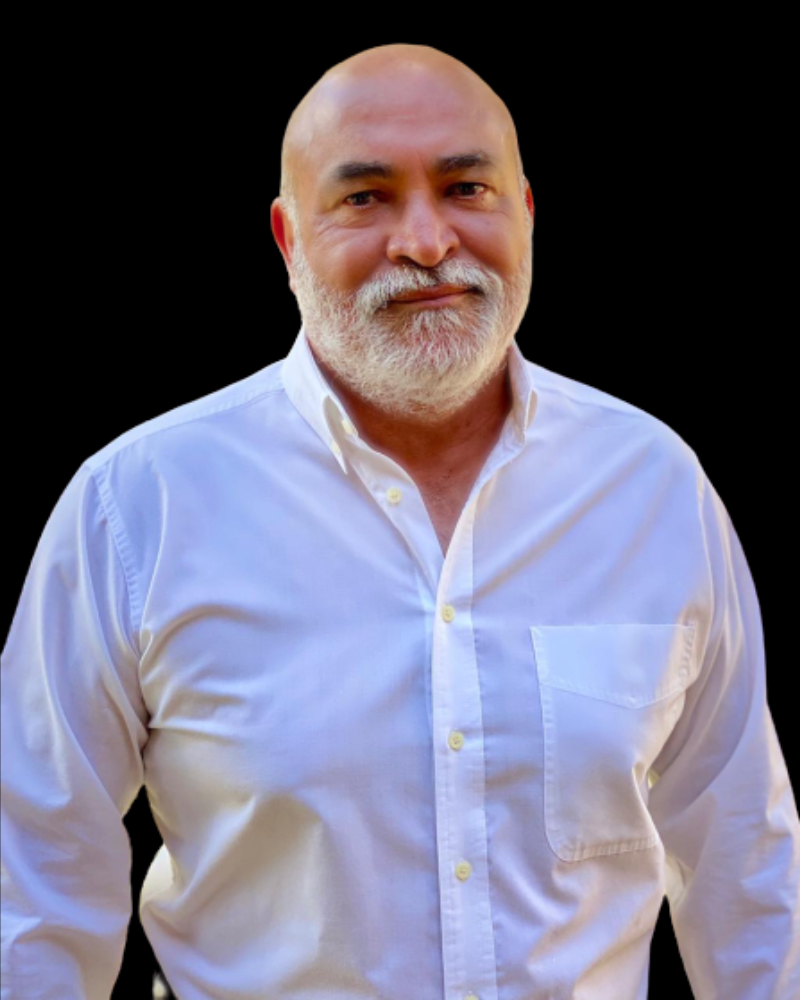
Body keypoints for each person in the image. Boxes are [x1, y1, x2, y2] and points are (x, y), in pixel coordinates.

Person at [1, 42, 797, 1000]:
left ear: (527, 212)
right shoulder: (138, 507)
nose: (424, 240)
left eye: (466, 188)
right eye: (365, 197)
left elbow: (744, 864)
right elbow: (34, 880)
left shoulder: (654, 487)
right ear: (288, 240)